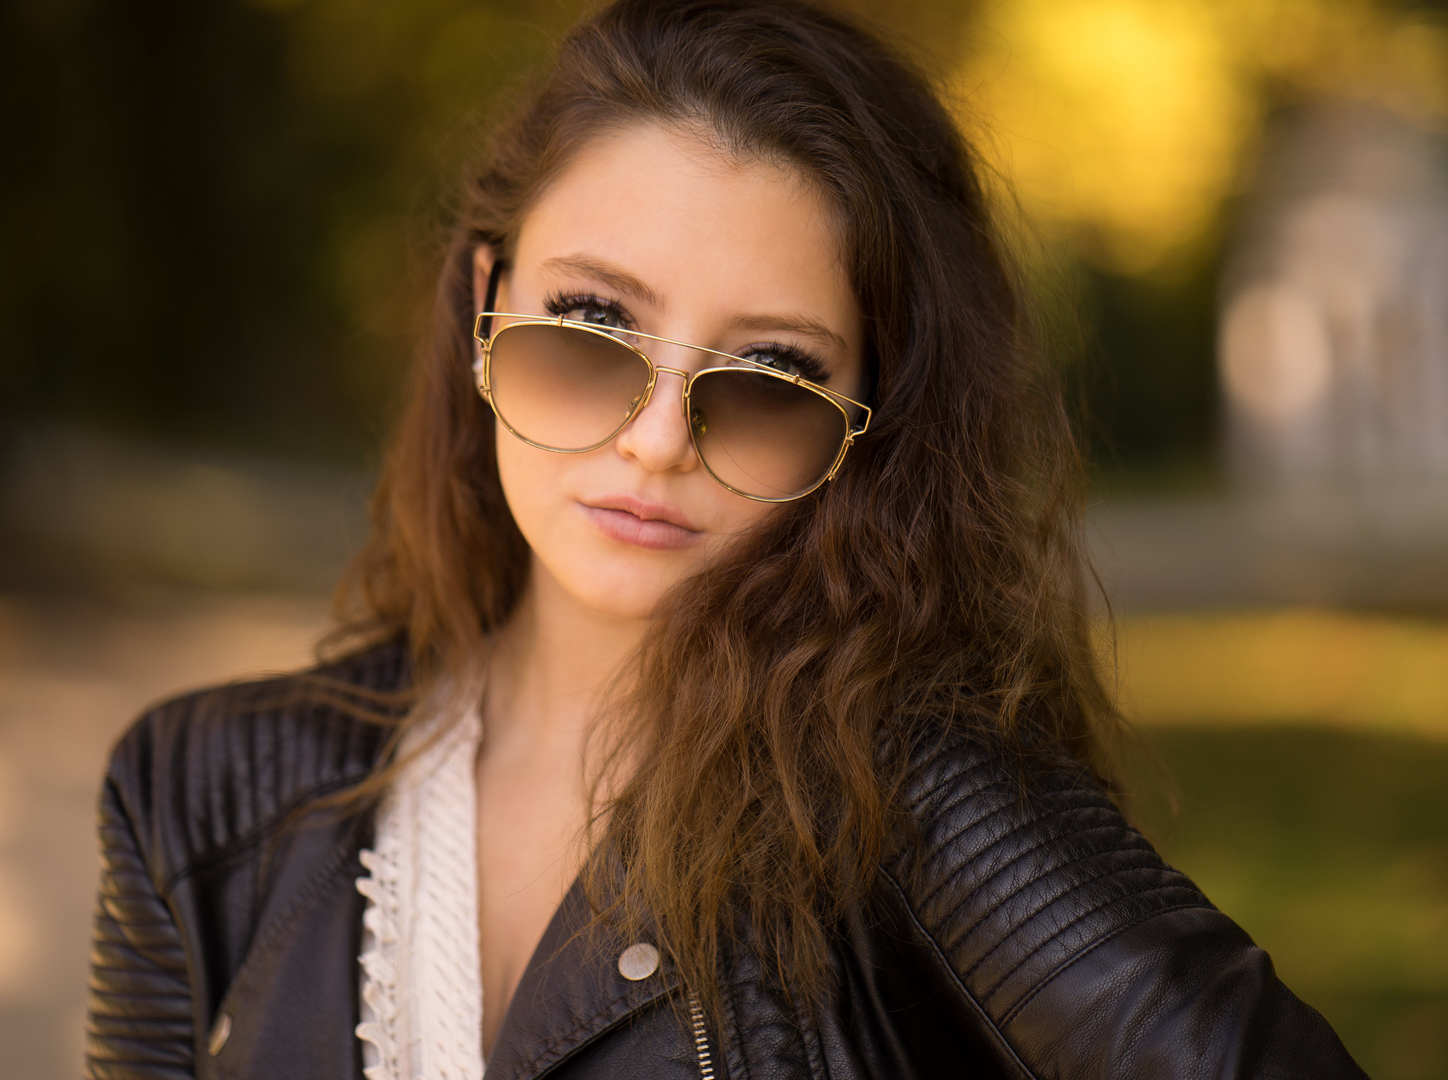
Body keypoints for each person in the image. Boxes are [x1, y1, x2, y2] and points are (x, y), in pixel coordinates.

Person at [83, 1, 1367, 1077]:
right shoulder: (197, 801)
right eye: (591, 325)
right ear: (485, 304)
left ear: (866, 428)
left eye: (766, 377)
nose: (654, 441)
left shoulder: (915, 811)